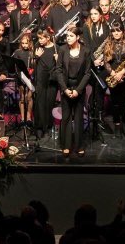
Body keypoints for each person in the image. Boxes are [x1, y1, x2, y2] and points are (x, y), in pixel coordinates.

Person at [55, 26, 90, 156]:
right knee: (66, 117)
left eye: (70, 36)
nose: (68, 38)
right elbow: (58, 70)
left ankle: (79, 145)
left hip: (79, 88)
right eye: (67, 36)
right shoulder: (63, 49)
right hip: (66, 87)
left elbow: (87, 73)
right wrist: (64, 89)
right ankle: (66, 145)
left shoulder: (86, 51)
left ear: (77, 37)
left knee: (79, 117)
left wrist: (78, 90)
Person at [103, 21, 125, 138]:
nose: (116, 33)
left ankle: (124, 122)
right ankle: (117, 124)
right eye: (114, 31)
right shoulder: (108, 43)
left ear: (122, 31)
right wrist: (112, 73)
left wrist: (122, 72)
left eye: (118, 30)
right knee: (115, 101)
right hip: (113, 74)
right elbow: (106, 61)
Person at [33, 28, 58, 137]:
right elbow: (32, 65)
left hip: (52, 79)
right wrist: (36, 56)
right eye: (39, 38)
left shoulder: (57, 49)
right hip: (40, 79)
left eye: (42, 38)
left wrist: (58, 60)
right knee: (39, 102)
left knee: (49, 103)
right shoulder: (38, 47)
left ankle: (48, 126)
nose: (40, 40)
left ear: (48, 38)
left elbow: (60, 66)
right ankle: (39, 127)